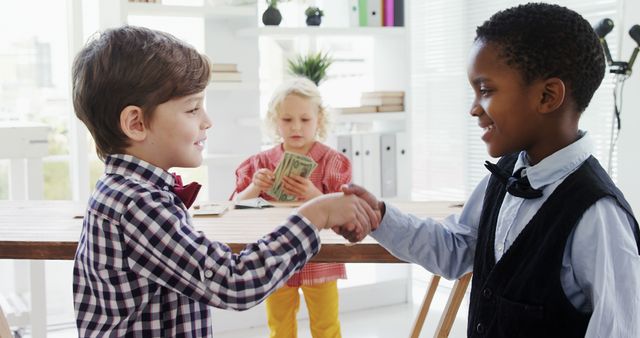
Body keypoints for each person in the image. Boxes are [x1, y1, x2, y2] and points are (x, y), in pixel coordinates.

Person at [339, 3, 640, 337]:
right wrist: (379, 216)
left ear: (547, 96)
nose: (473, 109)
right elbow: (455, 249)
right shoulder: (504, 176)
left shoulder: (598, 216)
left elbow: (618, 329)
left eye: (485, 90)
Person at [71, 26, 377, 337]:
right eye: (192, 109)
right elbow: (235, 282)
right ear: (136, 123)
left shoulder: (124, 191)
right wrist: (317, 213)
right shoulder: (140, 204)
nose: (208, 121)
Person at [233, 77, 350, 338]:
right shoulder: (260, 163)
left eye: (305, 119)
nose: (296, 126)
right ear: (275, 120)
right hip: (275, 258)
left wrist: (313, 194)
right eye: (287, 120)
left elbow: (344, 210)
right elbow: (236, 206)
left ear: (319, 119)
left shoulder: (332, 162)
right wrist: (254, 187)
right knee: (280, 327)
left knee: (326, 326)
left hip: (321, 257)